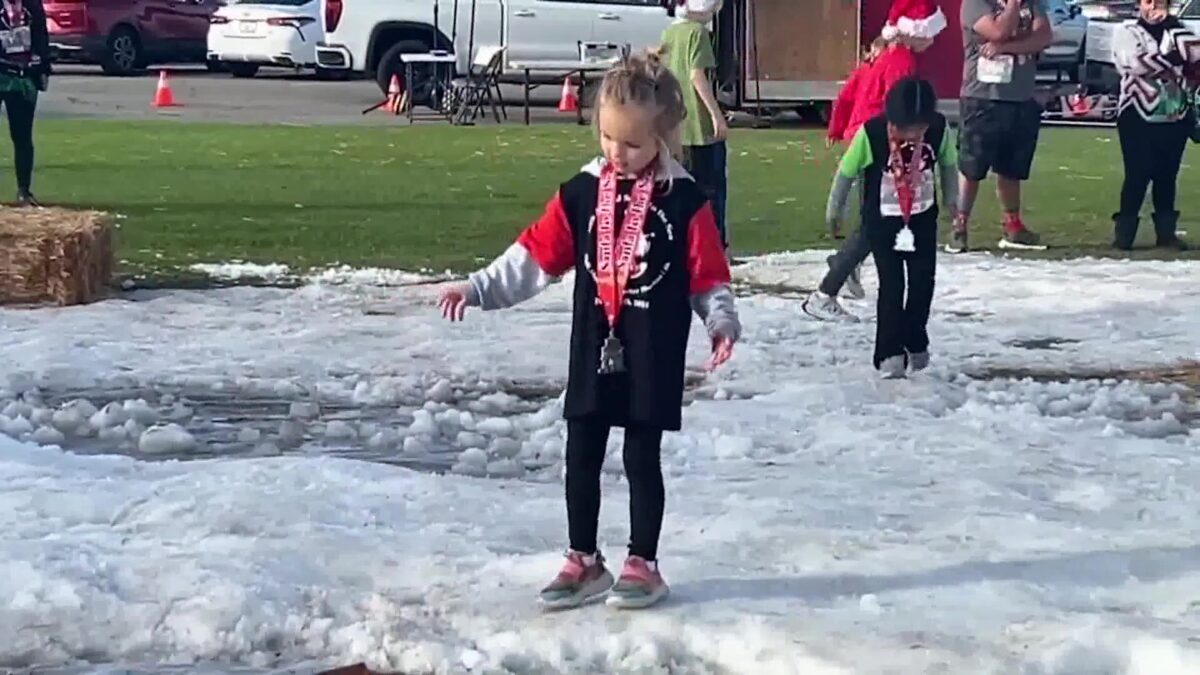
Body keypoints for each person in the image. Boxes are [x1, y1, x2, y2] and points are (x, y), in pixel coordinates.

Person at [437, 53, 740, 611]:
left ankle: (642, 564)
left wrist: (720, 320)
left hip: (653, 351)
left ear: (664, 137)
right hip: (595, 347)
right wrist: (476, 288)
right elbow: (533, 256)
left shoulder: (685, 199)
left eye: (630, 144)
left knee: (640, 457)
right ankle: (584, 560)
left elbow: (708, 274)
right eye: (606, 138)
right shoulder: (582, 193)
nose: (615, 153)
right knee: (581, 449)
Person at [803, 0, 946, 322]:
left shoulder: (882, 55)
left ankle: (843, 267)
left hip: (865, 139)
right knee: (875, 224)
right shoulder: (902, 61)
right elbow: (896, 111)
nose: (933, 41)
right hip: (878, 146)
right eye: (930, 33)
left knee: (874, 221)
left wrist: (838, 125)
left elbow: (850, 91)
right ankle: (827, 288)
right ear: (914, 31)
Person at [827, 77, 958, 379]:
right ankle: (888, 352)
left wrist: (954, 201)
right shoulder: (871, 133)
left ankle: (915, 338)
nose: (912, 135)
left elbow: (949, 165)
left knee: (923, 283)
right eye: (905, 129)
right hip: (883, 223)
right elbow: (846, 173)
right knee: (892, 286)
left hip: (922, 219)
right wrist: (834, 211)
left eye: (918, 129)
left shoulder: (938, 129)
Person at [950, 0, 1052, 253]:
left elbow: (1044, 36)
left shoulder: (1033, 4)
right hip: (983, 96)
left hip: (1020, 96)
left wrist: (1007, 48)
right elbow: (997, 31)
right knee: (972, 166)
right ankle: (960, 225)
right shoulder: (976, 4)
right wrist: (1013, 6)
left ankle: (1013, 226)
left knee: (1012, 168)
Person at [1110, 0, 1200, 250]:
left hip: (1174, 113)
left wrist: (1172, 26)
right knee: (1137, 174)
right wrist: (1176, 61)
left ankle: (1166, 234)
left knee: (1167, 175)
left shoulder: (1177, 30)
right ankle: (1124, 234)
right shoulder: (1127, 31)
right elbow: (1136, 64)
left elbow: (1197, 53)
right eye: (1148, 1)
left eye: (1160, 2)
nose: (1153, 7)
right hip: (1136, 113)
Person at [661, 0, 729, 250]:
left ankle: (683, 245)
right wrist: (716, 115)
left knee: (682, 190)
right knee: (712, 191)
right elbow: (696, 75)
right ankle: (716, 248)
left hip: (677, 128)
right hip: (700, 129)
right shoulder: (698, 33)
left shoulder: (669, 33)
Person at [0, 0, 50, 206]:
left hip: (24, 77)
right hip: (1, 72)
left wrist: (43, 68)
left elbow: (41, 36)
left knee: (22, 136)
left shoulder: (32, 4)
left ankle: (24, 191)